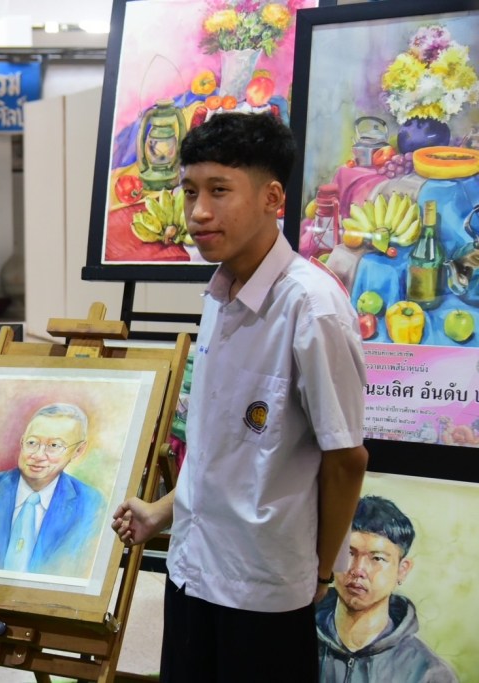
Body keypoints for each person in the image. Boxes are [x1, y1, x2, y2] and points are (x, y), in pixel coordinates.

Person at [111, 112, 369, 682]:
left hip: (263, 592)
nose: (198, 212)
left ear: (272, 197)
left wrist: (319, 574)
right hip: (192, 571)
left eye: (219, 191)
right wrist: (163, 510)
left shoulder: (312, 308)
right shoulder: (220, 296)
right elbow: (224, 450)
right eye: (190, 192)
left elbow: (346, 459)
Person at [0, 403, 105, 576]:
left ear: (78, 451)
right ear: (22, 442)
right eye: (32, 443)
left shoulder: (92, 506)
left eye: (54, 446)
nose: (38, 455)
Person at [317, 495, 458, 682]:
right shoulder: (291, 641)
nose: (358, 570)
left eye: (377, 558)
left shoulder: (428, 673)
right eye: (348, 553)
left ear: (402, 570)